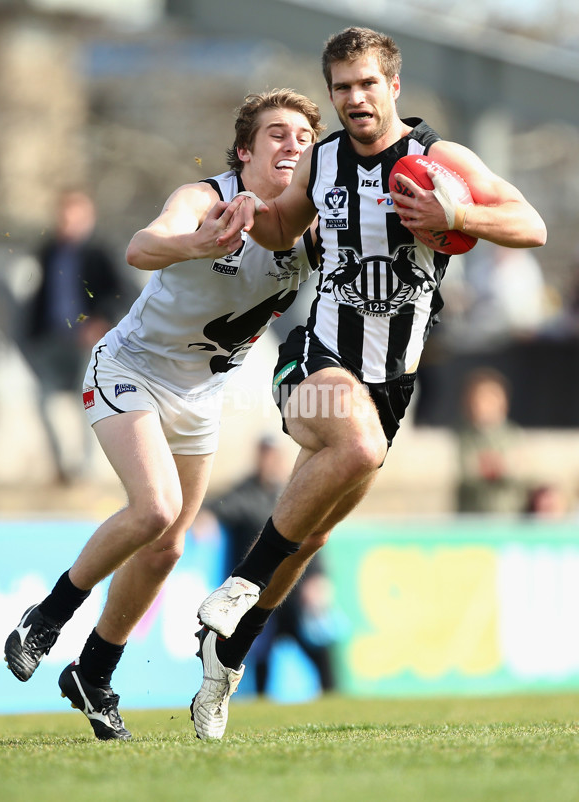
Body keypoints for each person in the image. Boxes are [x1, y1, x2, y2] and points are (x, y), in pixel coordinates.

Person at [193, 25, 547, 738]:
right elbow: (283, 226)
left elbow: (530, 224)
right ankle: (234, 588)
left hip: (392, 384)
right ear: (333, 93)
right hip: (316, 360)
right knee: (354, 447)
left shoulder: (436, 160)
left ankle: (226, 657)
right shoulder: (321, 162)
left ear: (393, 85)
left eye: (366, 84)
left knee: (312, 536)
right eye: (342, 87)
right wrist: (250, 216)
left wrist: (459, 215)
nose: (355, 99)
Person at [3, 89, 326, 741]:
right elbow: (142, 246)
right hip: (130, 370)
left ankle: (94, 670)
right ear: (245, 150)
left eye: (303, 138)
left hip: (199, 397)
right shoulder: (208, 198)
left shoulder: (315, 221)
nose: (293, 145)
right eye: (277, 135)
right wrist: (193, 242)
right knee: (153, 509)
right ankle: (48, 615)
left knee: (169, 546)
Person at [197, 435, 336, 696]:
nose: (269, 460)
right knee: (259, 658)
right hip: (256, 593)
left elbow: (313, 538)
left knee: (320, 649)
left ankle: (334, 699)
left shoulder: (291, 492)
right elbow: (218, 507)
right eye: (264, 453)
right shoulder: (245, 494)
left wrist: (317, 577)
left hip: (293, 592)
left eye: (273, 454)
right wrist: (206, 517)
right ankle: (258, 703)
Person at [20, 189, 127, 483]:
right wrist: (30, 337)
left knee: (88, 400)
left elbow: (122, 293)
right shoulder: (47, 251)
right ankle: (61, 468)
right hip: (53, 344)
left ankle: (85, 470)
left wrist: (100, 323)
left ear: (87, 217)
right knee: (41, 399)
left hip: (88, 345)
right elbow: (37, 297)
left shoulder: (101, 252)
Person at [456, 367, 526, 514]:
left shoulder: (512, 435)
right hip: (472, 517)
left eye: (490, 399)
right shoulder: (464, 436)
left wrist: (499, 467)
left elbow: (519, 470)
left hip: (507, 516)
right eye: (479, 400)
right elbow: (468, 471)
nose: (484, 406)